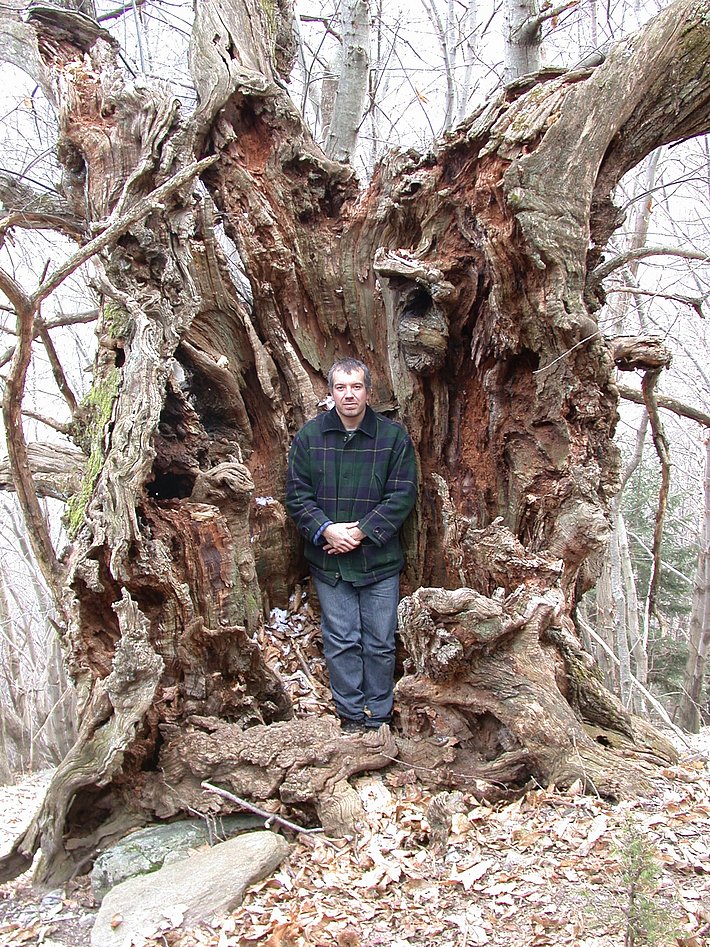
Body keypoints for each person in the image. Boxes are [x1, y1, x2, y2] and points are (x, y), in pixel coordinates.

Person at [285, 358, 417, 733]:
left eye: (356, 387)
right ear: (330, 393)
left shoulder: (393, 439)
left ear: (368, 393)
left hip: (379, 559)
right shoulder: (309, 438)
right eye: (341, 388)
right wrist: (326, 530)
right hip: (329, 562)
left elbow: (402, 494)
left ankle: (379, 714)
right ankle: (351, 717)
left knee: (379, 641)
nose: (348, 395)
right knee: (342, 639)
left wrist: (359, 532)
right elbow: (297, 495)